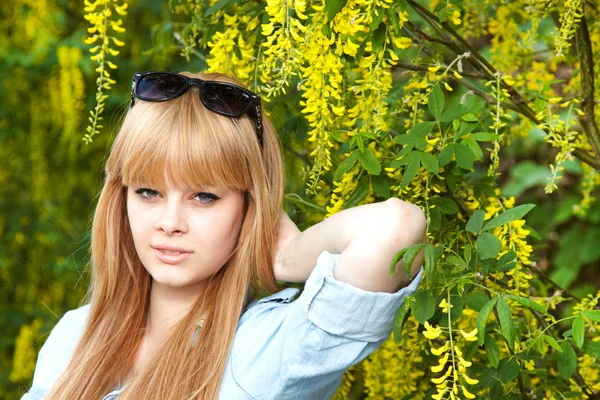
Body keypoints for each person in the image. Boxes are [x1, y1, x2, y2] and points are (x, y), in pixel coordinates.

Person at [21, 70, 427, 400]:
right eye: (148, 192)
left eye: (203, 196)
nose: (170, 221)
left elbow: (397, 228)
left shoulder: (263, 355)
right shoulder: (75, 336)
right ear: (120, 198)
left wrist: (286, 255)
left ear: (248, 207)